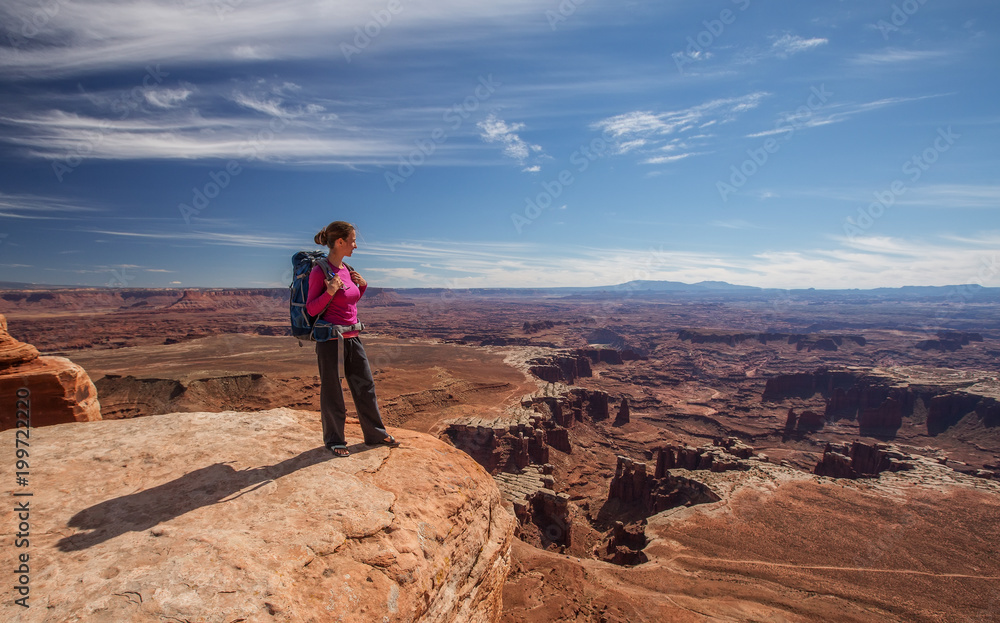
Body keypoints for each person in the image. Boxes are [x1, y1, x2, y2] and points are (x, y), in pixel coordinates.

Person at [306, 220, 398, 457]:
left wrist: (363, 287)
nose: (355, 245)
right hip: (330, 341)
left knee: (365, 385)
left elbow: (348, 303)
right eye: (352, 241)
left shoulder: (346, 269)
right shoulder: (320, 271)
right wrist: (329, 291)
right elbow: (312, 309)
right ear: (339, 242)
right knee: (333, 390)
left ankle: (375, 434)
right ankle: (335, 440)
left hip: (352, 336)